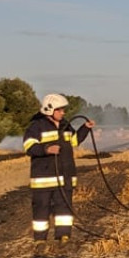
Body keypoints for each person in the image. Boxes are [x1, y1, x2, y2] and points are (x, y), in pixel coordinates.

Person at [23, 93, 94, 243]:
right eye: (60, 110)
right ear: (49, 109)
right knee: (41, 209)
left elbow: (74, 141)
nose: (63, 112)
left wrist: (85, 129)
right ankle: (40, 240)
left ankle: (63, 236)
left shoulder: (65, 125)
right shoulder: (36, 126)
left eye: (63, 109)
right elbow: (29, 146)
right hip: (44, 179)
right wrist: (46, 149)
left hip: (64, 177)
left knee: (64, 209)